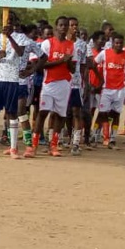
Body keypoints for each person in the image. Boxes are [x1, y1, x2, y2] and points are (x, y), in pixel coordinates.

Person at [0, 18, 45, 158]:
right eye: (6, 23)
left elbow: (25, 54)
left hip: (16, 80)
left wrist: (30, 71)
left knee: (17, 113)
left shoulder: (22, 38)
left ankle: (24, 147)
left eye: (12, 23)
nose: (9, 25)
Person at [33, 17, 76, 157]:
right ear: (56, 27)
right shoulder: (47, 43)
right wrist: (60, 61)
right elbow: (41, 65)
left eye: (66, 25)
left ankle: (54, 145)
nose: (64, 27)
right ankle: (33, 145)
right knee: (43, 113)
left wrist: (68, 61)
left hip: (64, 84)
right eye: (61, 25)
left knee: (60, 115)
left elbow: (73, 69)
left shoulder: (71, 45)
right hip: (49, 83)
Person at [91, 33, 125, 150]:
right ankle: (105, 137)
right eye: (116, 43)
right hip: (106, 88)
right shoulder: (105, 53)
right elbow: (93, 64)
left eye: (120, 43)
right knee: (103, 112)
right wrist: (100, 79)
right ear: (112, 43)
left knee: (116, 113)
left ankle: (113, 138)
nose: (118, 45)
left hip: (120, 89)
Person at [66, 17, 89, 155]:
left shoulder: (82, 44)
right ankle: (65, 138)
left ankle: (76, 143)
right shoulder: (63, 43)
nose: (74, 27)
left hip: (76, 83)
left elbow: (84, 65)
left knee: (76, 112)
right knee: (63, 113)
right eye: (71, 25)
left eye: (76, 25)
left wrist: (85, 83)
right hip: (62, 82)